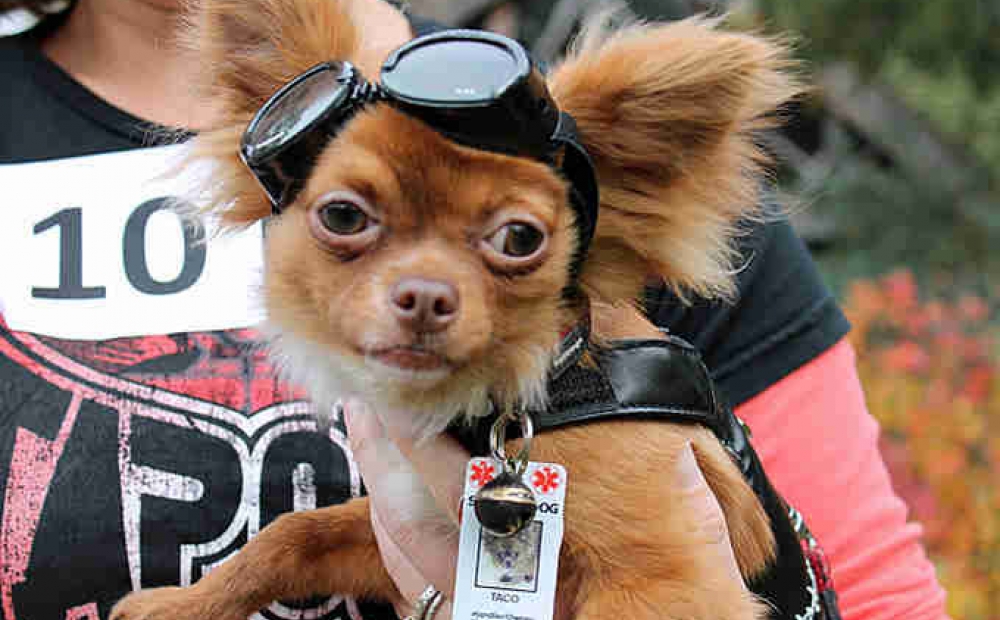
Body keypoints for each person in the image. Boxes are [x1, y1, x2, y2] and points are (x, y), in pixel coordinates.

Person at [0, 1, 948, 619]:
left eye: (515, 241)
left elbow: (876, 595)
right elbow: (394, 527)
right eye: (345, 217)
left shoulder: (577, 155)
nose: (424, 290)